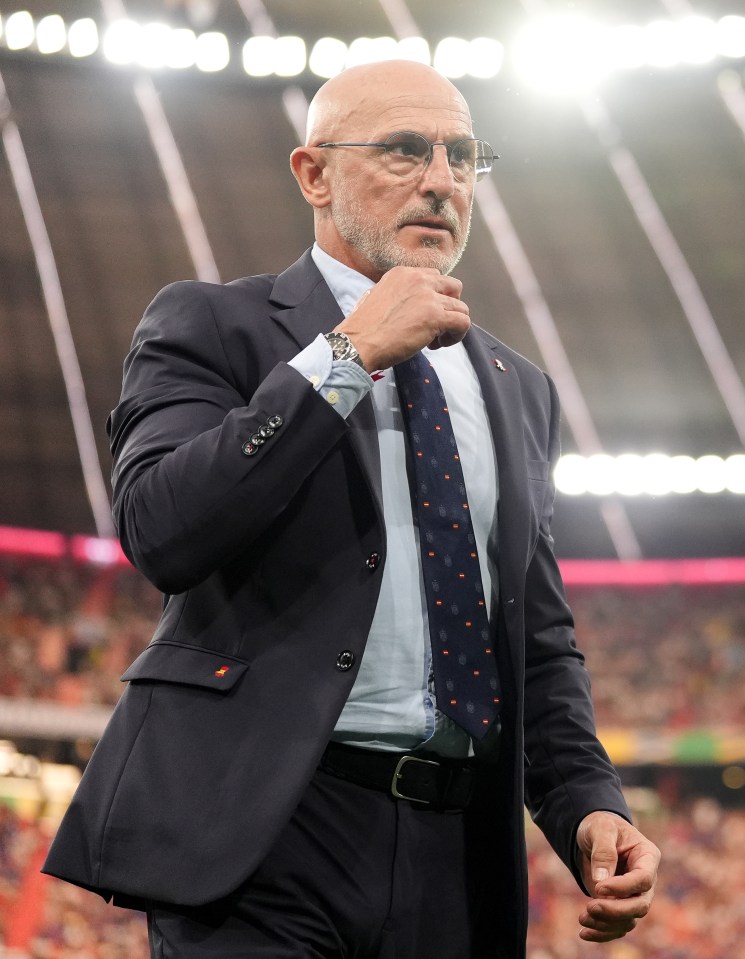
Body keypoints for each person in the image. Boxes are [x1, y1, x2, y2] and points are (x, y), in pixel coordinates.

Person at [43, 60, 660, 958]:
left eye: (462, 155)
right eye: (405, 149)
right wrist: (345, 354)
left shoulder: (515, 387)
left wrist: (586, 804)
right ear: (313, 174)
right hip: (264, 831)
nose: (441, 180)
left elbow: (535, 635)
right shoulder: (215, 325)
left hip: (458, 853)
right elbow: (161, 528)